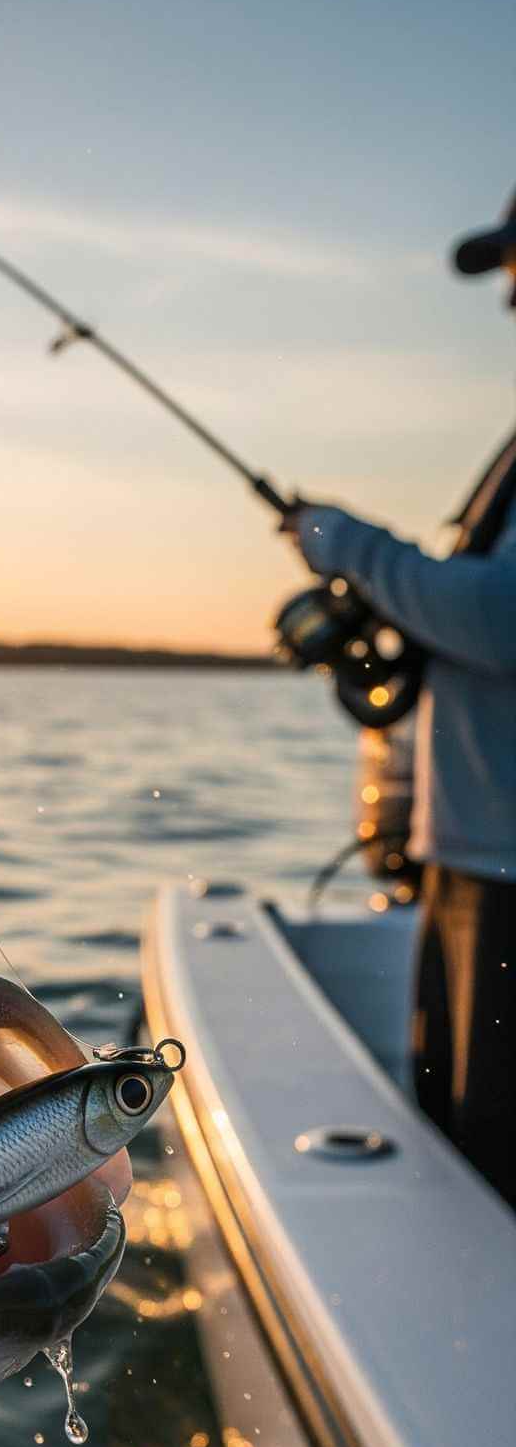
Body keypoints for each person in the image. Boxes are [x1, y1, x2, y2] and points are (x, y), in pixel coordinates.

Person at [281, 190, 516, 1213]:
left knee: (495, 1166)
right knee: (457, 1142)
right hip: (467, 857)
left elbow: (501, 618)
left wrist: (351, 547)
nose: (511, 299)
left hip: (507, 874)